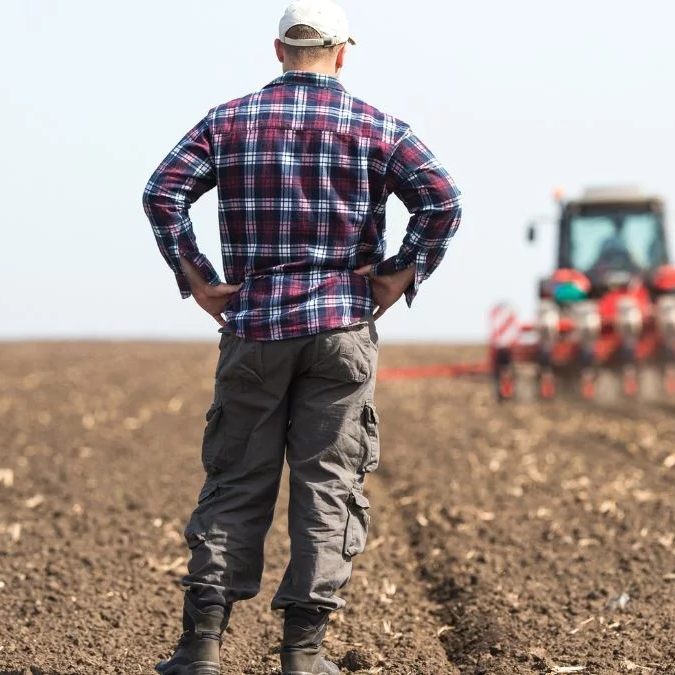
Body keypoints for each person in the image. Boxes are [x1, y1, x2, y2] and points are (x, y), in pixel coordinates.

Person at [141, 1, 462, 673]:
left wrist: (198, 278)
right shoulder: (379, 127)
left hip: (255, 326)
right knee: (330, 485)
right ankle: (304, 654)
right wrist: (400, 274)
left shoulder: (227, 121)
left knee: (235, 482)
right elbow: (442, 200)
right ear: (343, 54)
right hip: (342, 328)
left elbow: (163, 190)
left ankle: (200, 648)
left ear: (278, 50)